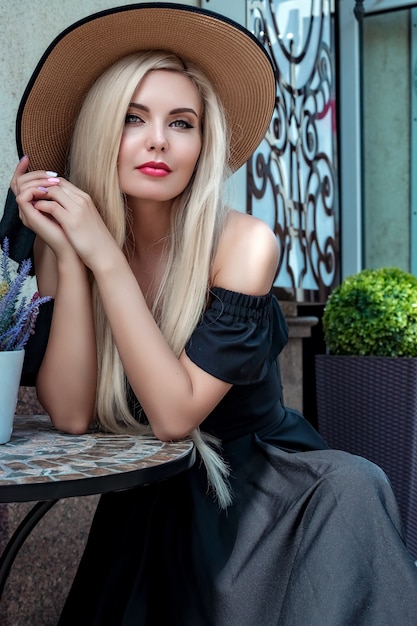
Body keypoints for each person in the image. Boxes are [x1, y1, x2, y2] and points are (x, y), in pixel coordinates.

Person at [3, 3, 417, 625]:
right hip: (145, 498)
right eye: (133, 118)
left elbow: (174, 415)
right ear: (100, 131)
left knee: (352, 489)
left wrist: (104, 260)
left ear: (204, 144)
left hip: (265, 499)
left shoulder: (245, 244)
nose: (159, 142)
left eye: (182, 122)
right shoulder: (68, 243)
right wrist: (73, 253)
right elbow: (70, 413)